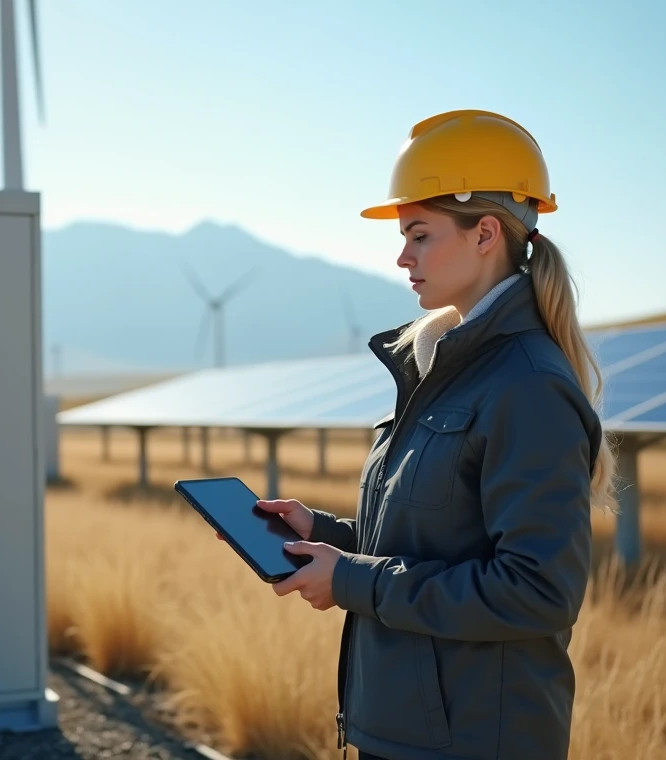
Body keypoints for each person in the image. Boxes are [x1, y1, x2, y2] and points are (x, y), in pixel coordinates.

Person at [257, 110, 617, 760]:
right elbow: (430, 542)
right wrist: (326, 537)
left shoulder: (527, 385)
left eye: (420, 235)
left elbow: (538, 592)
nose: (402, 256)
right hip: (406, 731)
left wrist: (353, 582)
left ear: (485, 234)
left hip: (477, 740)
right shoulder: (439, 368)